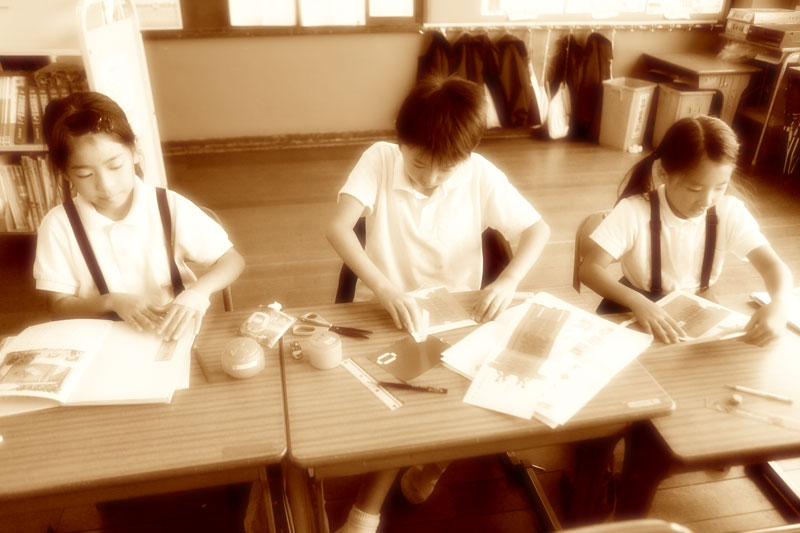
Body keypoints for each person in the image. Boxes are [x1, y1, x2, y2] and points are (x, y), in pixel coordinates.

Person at [326, 75, 550, 533]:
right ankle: (366, 511)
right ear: (402, 141)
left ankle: (432, 465)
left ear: (466, 155)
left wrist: (508, 281)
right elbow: (338, 228)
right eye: (419, 162)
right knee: (400, 403)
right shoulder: (380, 159)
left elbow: (536, 230)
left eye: (446, 168)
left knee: (477, 398)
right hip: (389, 310)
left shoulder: (479, 173)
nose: (429, 178)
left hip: (457, 313)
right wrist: (384, 287)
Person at [34, 91, 245, 341]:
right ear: (65, 173)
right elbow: (59, 307)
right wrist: (111, 301)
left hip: (174, 335)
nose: (106, 186)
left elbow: (231, 260)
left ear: (134, 151)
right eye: (85, 175)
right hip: (102, 341)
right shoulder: (58, 225)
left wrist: (198, 292)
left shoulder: (167, 205)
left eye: (115, 166)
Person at [579, 115, 792, 346]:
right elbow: (590, 269)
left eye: (720, 187)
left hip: (697, 306)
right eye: (695, 189)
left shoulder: (729, 211)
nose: (707, 200)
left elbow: (773, 265)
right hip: (633, 306)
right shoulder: (634, 211)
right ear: (663, 173)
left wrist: (780, 304)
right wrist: (637, 301)